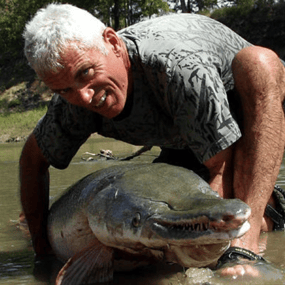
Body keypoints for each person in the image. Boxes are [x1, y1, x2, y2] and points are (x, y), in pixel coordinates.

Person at [20, 3, 285, 278]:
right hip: (188, 138)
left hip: (255, 117)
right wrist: (42, 252)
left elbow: (222, 165)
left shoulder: (176, 65)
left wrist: (212, 247)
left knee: (258, 62)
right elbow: (32, 160)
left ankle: (248, 241)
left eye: (85, 73)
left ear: (112, 43)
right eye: (63, 89)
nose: (84, 97)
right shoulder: (72, 99)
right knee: (153, 218)